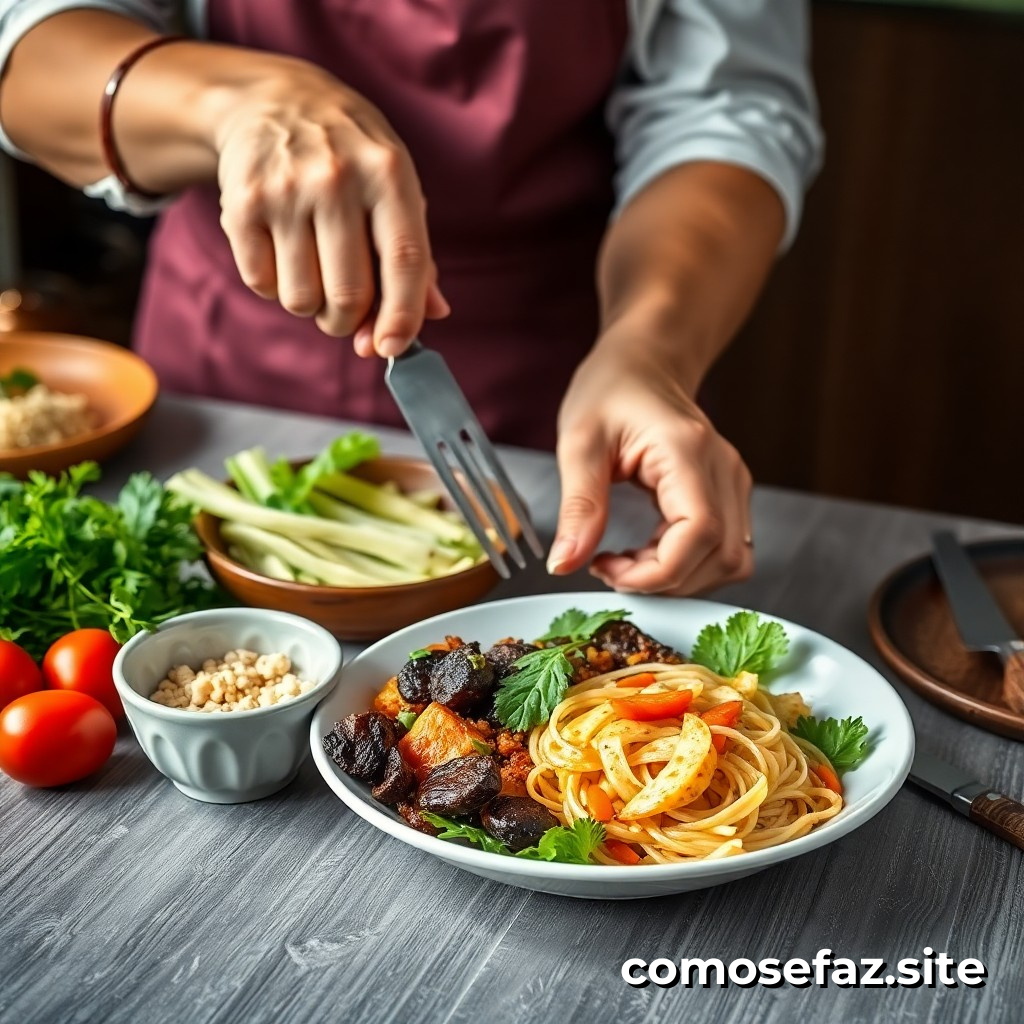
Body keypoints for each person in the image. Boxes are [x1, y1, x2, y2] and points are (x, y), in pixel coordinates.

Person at [0, 1, 821, 596]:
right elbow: (29, 44)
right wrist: (232, 98)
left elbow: (727, 112)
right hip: (222, 370)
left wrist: (650, 349)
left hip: (563, 365)